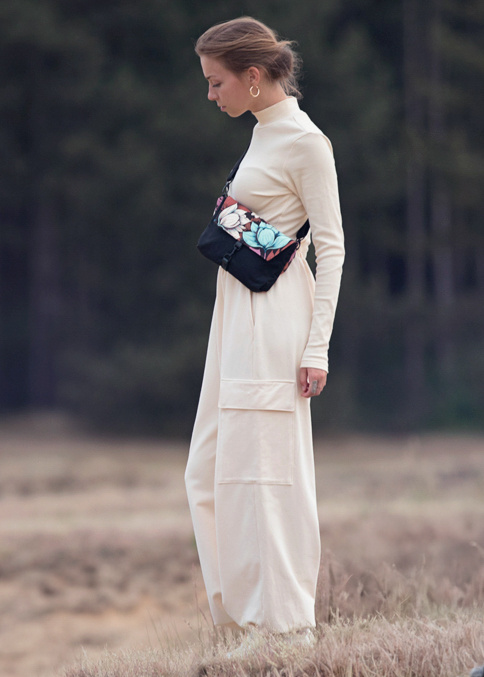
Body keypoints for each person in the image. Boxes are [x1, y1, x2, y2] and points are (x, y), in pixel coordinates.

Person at [185, 16, 344, 649]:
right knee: (209, 473)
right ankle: (238, 625)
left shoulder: (306, 142)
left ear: (253, 76)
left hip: (273, 322)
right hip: (233, 319)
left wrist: (317, 347)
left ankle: (284, 633)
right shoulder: (261, 133)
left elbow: (331, 247)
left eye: (215, 81)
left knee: (268, 477)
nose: (209, 94)